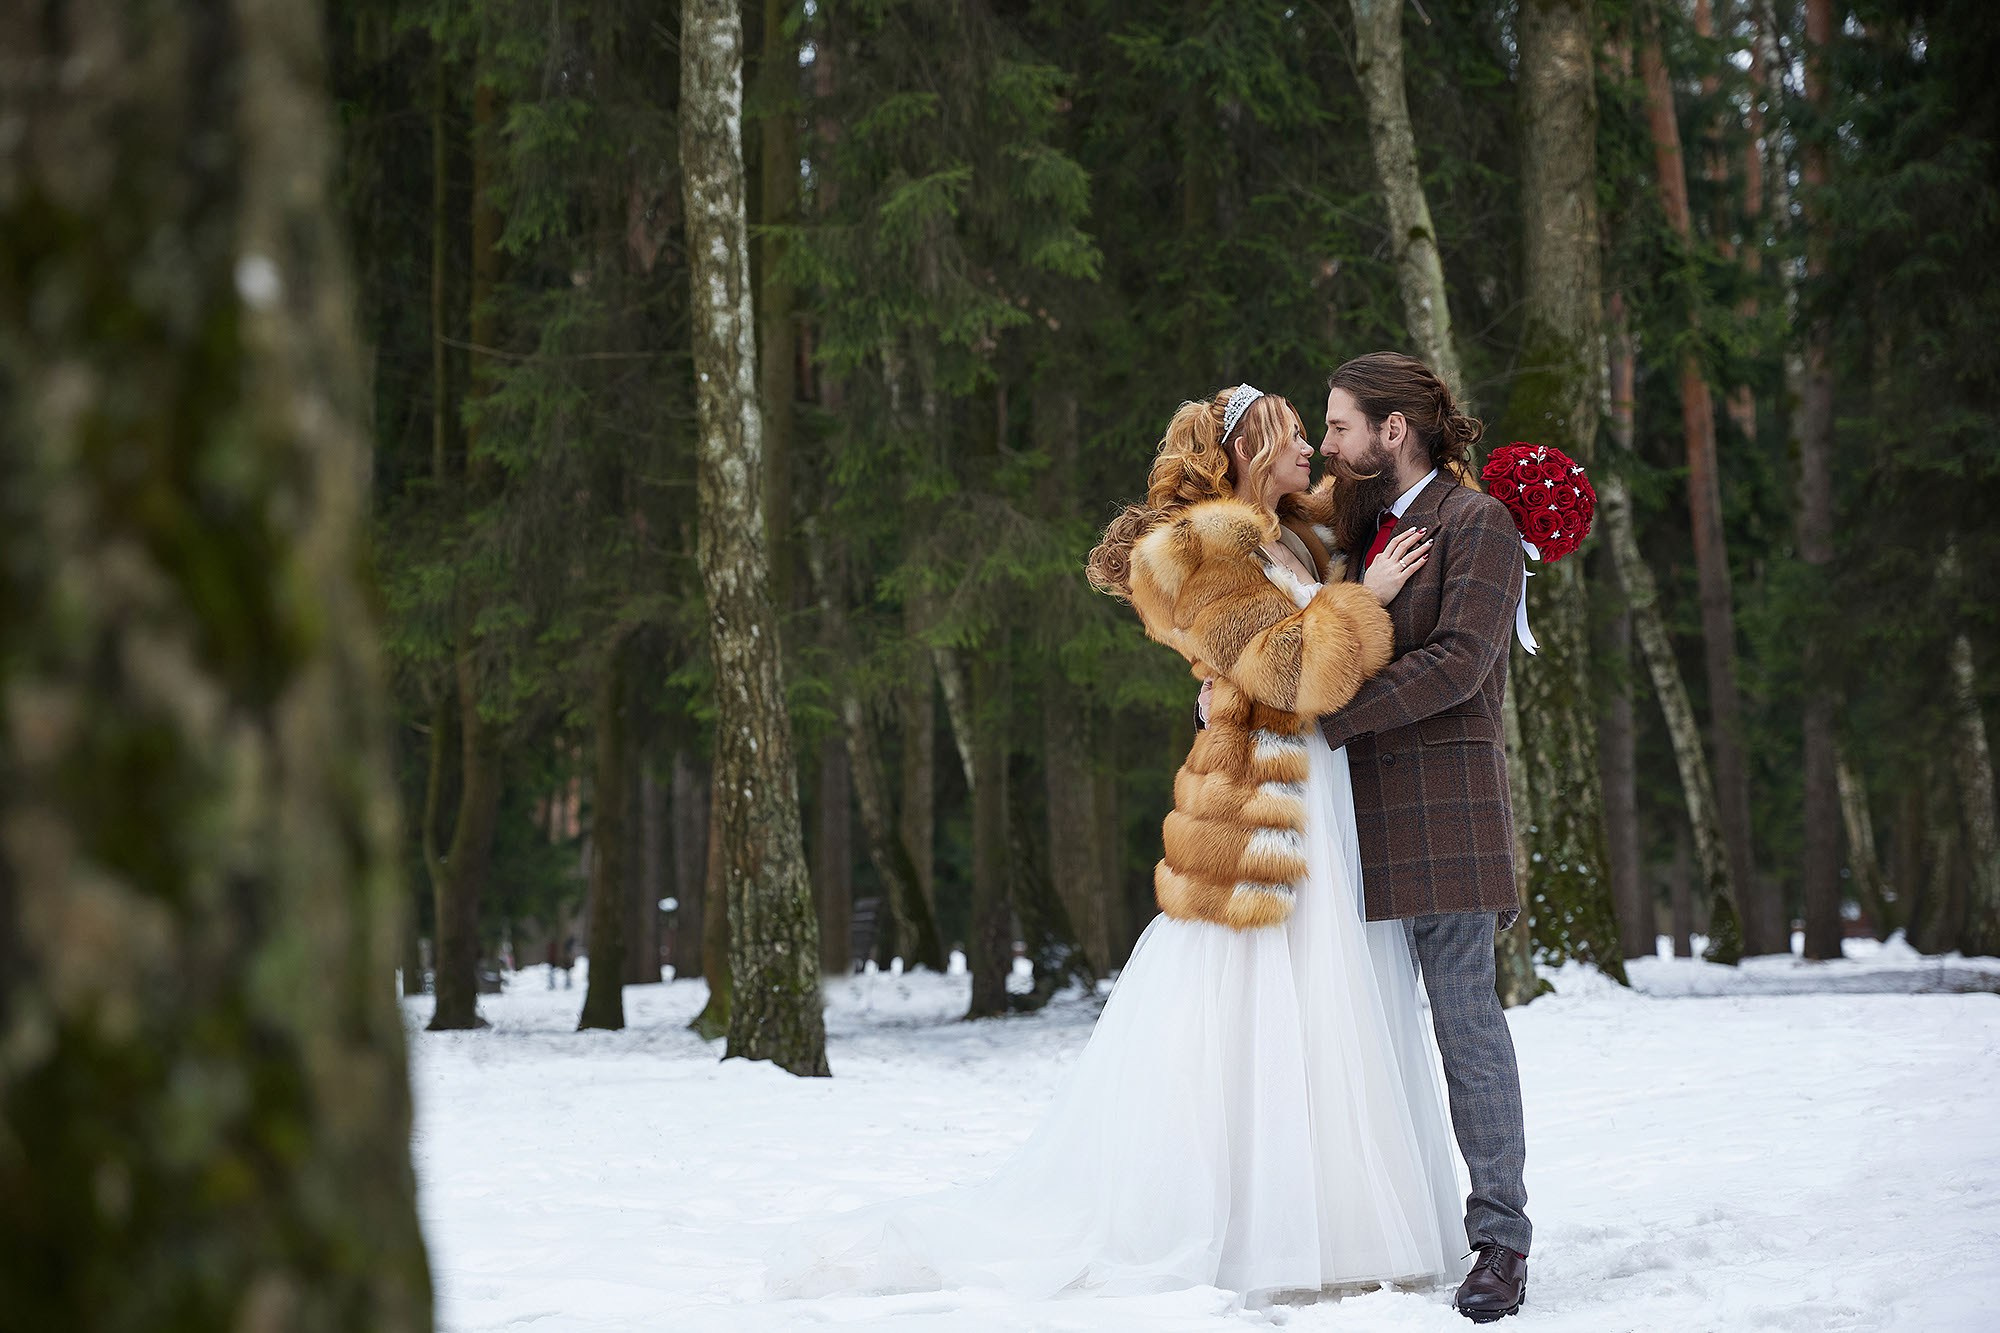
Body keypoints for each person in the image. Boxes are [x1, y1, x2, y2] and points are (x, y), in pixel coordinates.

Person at [766, 384, 1463, 1306]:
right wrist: (1360, 601)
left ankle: (1333, 1219)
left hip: (1317, 790)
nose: (1313, 455)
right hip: (1258, 802)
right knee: (1249, 997)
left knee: (1326, 996)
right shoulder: (1212, 550)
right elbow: (1291, 668)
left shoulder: (1292, 534)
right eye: (1297, 439)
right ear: (1253, 451)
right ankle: (1243, 1223)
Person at [1312, 351, 1534, 1322]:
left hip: (1446, 819)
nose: (1328, 445)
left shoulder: (1478, 525)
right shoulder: (1359, 529)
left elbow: (1458, 665)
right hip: (1351, 827)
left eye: (1337, 425)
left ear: (1390, 430)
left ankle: (1499, 1242)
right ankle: (1370, 1229)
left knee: (1465, 1033)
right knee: (1352, 1042)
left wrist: (1322, 714)